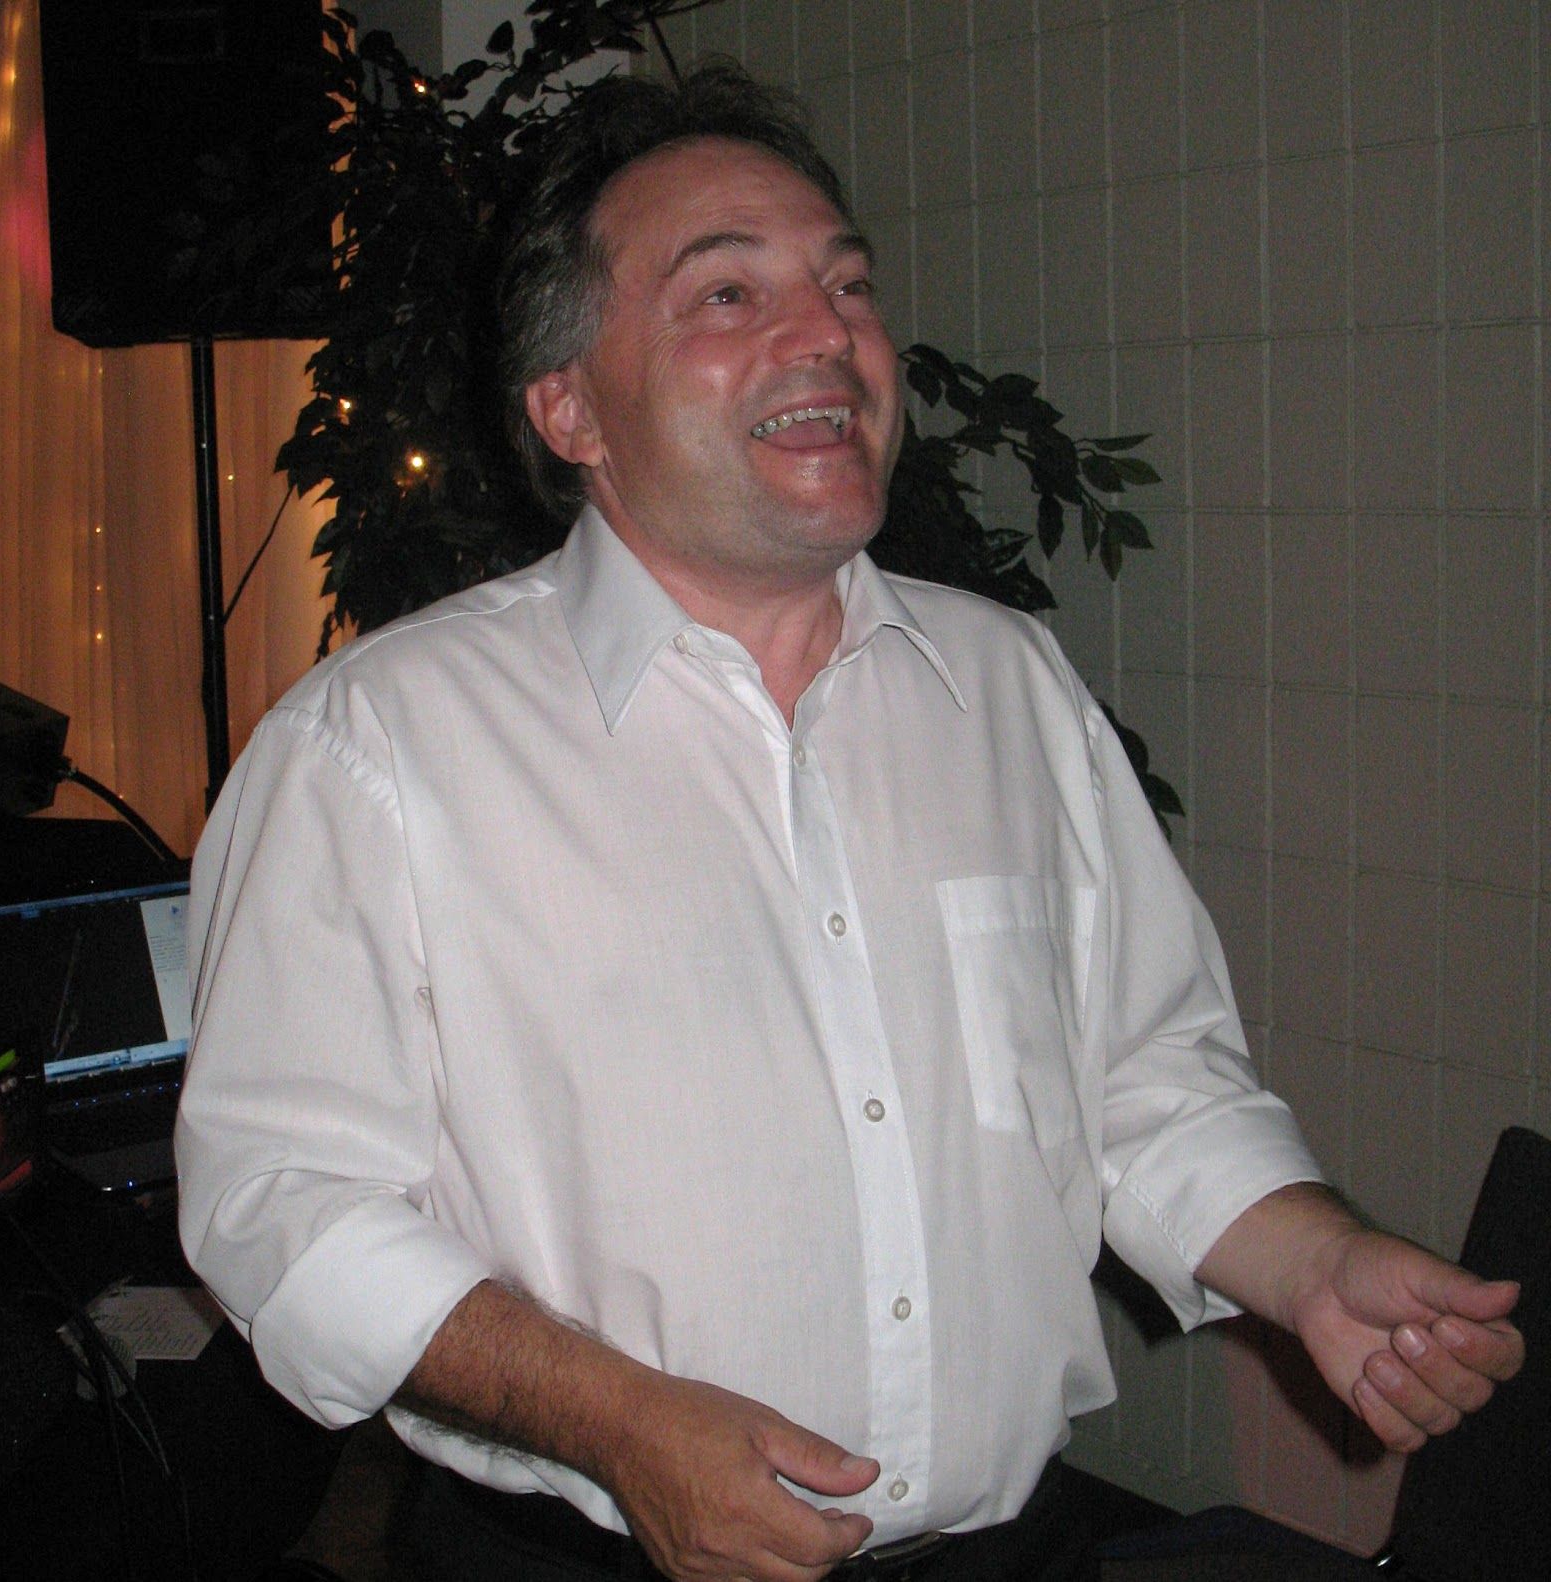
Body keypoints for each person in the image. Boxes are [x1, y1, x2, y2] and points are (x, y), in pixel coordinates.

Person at [176, 65, 1523, 1582]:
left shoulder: (1007, 685)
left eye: (848, 285)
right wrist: (619, 1423)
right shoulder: (381, 743)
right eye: (728, 293)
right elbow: (280, 1205)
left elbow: (1142, 1075)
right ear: (570, 407)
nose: (828, 335)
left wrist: (1314, 1258)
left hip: (1008, 1552)